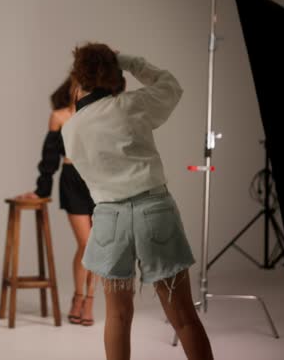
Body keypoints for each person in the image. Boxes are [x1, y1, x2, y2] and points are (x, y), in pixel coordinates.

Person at [61, 43, 213, 360]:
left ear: (79, 77)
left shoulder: (71, 128)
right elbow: (171, 86)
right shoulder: (132, 105)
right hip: (154, 212)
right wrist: (129, 61)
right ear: (115, 72)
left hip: (108, 221)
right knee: (183, 317)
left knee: (117, 316)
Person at [18, 77, 97, 326]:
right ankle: (78, 296)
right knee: (86, 243)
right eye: (82, 86)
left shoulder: (100, 116)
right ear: (73, 87)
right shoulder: (59, 116)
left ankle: (89, 302)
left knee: (99, 246)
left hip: (99, 181)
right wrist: (41, 190)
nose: (85, 91)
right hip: (73, 180)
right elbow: (49, 158)